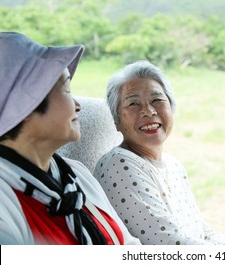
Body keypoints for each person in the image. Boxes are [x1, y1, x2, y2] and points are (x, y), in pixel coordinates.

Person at [0, 32, 141, 245]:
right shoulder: (5, 199)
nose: (78, 105)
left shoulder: (76, 174)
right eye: (66, 89)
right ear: (25, 104)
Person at [94, 60, 225, 245]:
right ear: (117, 121)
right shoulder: (118, 164)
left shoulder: (174, 166)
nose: (148, 111)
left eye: (157, 100)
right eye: (133, 104)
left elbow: (202, 231)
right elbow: (168, 244)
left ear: (171, 107)